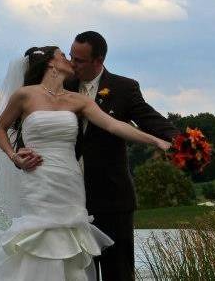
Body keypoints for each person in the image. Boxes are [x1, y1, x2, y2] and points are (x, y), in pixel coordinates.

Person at [0, 45, 171, 281]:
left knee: (69, 240)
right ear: (51, 63)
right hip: (39, 178)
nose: (69, 60)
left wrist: (157, 141)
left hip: (69, 181)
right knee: (42, 236)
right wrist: (13, 155)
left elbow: (114, 125)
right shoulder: (25, 95)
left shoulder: (77, 100)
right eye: (63, 55)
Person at [65, 31, 180, 281]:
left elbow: (150, 120)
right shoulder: (62, 85)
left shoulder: (123, 88)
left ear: (99, 60)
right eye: (71, 56)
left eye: (80, 61)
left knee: (118, 272)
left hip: (112, 198)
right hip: (67, 198)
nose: (72, 64)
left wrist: (180, 143)